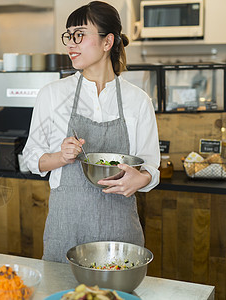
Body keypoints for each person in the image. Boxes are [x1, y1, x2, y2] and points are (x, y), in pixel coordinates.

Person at [22, 1, 160, 263]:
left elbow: (151, 165)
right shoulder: (52, 95)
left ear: (108, 42)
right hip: (65, 231)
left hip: (120, 234)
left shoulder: (138, 100)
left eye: (80, 35)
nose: (71, 44)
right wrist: (61, 157)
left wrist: (140, 179)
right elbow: (32, 158)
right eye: (69, 36)